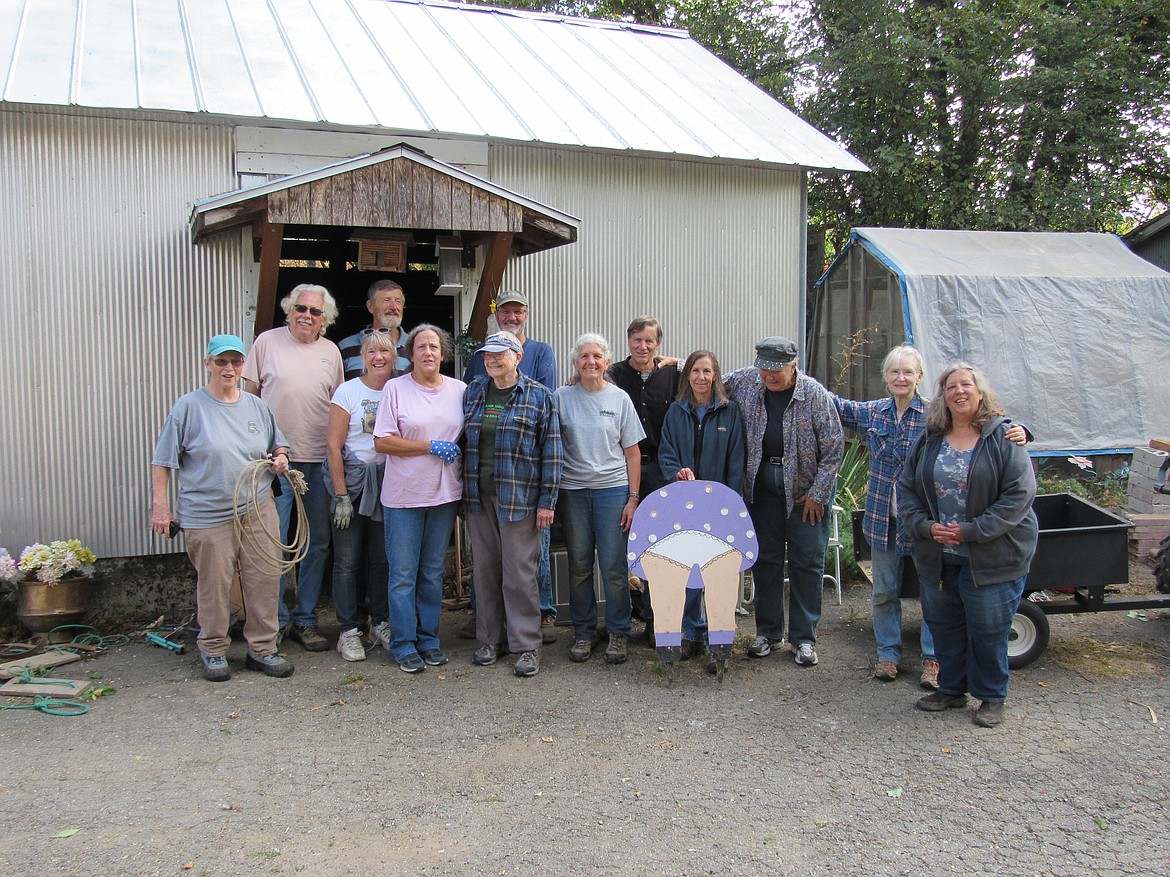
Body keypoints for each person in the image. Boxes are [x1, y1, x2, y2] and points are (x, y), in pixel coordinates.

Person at [833, 345, 1030, 688]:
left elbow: (986, 426)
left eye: (908, 372)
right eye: (895, 372)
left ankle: (932, 660)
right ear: (886, 377)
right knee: (884, 592)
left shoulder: (934, 417)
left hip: (928, 526)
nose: (901, 378)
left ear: (920, 378)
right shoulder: (873, 414)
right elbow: (834, 404)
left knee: (932, 596)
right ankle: (888, 655)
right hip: (884, 519)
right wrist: (793, 370)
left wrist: (1023, 429)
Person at [898, 363, 1038, 728]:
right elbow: (907, 489)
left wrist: (970, 531)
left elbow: (1019, 496)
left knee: (989, 629)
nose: (959, 392)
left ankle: (992, 696)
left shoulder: (1005, 438)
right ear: (941, 397)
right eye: (950, 387)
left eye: (966, 385)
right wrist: (925, 527)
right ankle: (951, 689)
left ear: (980, 392)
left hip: (991, 555)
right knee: (944, 625)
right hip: (939, 555)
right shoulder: (930, 439)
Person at [151, 335, 294, 681]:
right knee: (214, 583)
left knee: (264, 578)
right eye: (221, 362)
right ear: (208, 364)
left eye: (236, 362)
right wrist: (160, 508)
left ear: (244, 366)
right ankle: (213, 648)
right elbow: (163, 461)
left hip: (257, 507)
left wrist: (280, 458)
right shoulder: (189, 407)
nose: (229, 368)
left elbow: (279, 444)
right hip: (207, 512)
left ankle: (262, 648)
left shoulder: (257, 407)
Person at [725, 336, 844, 667]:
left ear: (794, 367)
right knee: (766, 560)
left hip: (806, 494)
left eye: (775, 371)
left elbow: (834, 448)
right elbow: (705, 380)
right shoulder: (746, 380)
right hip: (762, 489)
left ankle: (804, 638)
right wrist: (674, 364)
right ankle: (768, 632)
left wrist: (819, 492)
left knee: (807, 561)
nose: (768, 377)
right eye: (763, 369)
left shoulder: (814, 395)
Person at [242, 284, 344, 652]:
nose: (307, 315)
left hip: (319, 462)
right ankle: (275, 622)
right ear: (288, 309)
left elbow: (338, 407)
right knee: (275, 544)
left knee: (316, 543)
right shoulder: (266, 343)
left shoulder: (330, 352)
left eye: (315, 312)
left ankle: (305, 619)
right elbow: (247, 401)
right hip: (274, 463)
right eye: (300, 308)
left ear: (325, 319)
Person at [462, 331, 562, 677]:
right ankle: (491, 639)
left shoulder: (538, 396)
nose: (491, 360)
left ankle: (527, 645)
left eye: (499, 354)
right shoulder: (474, 392)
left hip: (520, 498)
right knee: (486, 570)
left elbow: (552, 453)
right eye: (487, 355)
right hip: (479, 496)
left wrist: (547, 502)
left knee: (519, 573)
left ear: (517, 357)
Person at [373, 324, 465, 674]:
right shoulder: (396, 388)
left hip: (443, 494)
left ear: (443, 354)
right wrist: (428, 446)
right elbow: (382, 441)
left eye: (435, 347)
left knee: (431, 572)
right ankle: (403, 643)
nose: (428, 352)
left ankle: (429, 639)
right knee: (403, 574)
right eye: (421, 347)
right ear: (410, 354)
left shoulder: (459, 389)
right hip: (404, 496)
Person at [555, 333, 645, 665]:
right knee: (579, 564)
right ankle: (584, 632)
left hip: (612, 491)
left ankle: (619, 631)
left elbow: (633, 454)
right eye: (584, 357)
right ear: (575, 363)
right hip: (574, 492)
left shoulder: (620, 399)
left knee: (613, 566)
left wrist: (633, 498)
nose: (590, 362)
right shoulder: (561, 397)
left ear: (607, 361)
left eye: (596, 356)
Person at [657, 350, 746, 672]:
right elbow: (666, 453)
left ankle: (718, 647)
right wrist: (676, 473)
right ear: (687, 376)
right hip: (684, 507)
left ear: (715, 376)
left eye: (707, 371)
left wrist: (732, 503)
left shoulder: (730, 412)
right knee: (690, 575)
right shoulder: (675, 413)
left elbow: (737, 461)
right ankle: (692, 634)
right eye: (695, 371)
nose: (701, 377)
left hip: (718, 508)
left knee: (718, 577)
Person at [326, 332, 397, 662]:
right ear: (362, 357)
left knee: (382, 559)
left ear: (395, 356)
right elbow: (333, 446)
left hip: (388, 486)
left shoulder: (400, 388)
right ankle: (348, 629)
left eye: (384, 351)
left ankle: (380, 623)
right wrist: (340, 494)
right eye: (371, 351)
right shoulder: (348, 391)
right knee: (347, 561)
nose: (378, 357)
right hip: (353, 485)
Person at [607, 316, 680, 642]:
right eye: (637, 340)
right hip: (621, 471)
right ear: (628, 341)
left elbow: (706, 372)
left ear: (658, 344)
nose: (643, 346)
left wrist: (680, 360)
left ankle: (656, 622)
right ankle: (620, 625)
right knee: (620, 549)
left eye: (649, 341)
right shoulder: (616, 374)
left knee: (658, 548)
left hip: (661, 472)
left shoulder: (672, 375)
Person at [338, 279, 409, 379]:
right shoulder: (345, 347)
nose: (394, 307)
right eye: (387, 300)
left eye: (398, 301)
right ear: (370, 306)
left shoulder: (415, 346)